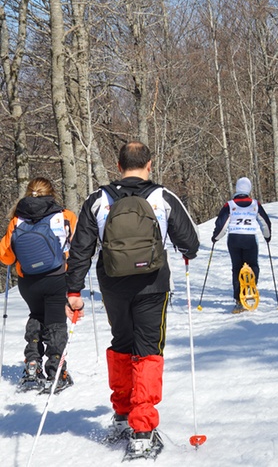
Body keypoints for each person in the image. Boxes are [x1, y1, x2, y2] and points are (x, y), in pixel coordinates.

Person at [65, 141, 199, 459]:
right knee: (148, 350)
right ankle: (142, 428)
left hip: (112, 284)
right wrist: (185, 252)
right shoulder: (162, 197)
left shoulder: (98, 200)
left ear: (118, 165)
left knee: (122, 344)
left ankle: (123, 412)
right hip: (153, 285)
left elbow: (81, 248)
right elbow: (190, 242)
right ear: (149, 164)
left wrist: (73, 291)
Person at [0, 177, 77, 393]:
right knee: (55, 323)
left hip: (28, 280)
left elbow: (5, 257)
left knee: (36, 315)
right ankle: (56, 370)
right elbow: (78, 246)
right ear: (52, 193)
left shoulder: (17, 219)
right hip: (56, 277)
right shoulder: (65, 216)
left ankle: (32, 363)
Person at [211, 177, 272, 313]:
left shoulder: (230, 205)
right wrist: (267, 236)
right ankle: (250, 289)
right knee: (253, 265)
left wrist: (215, 237)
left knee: (237, 268)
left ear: (237, 189)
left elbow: (222, 224)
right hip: (250, 238)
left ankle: (239, 300)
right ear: (249, 189)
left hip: (234, 239)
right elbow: (265, 222)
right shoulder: (255, 204)